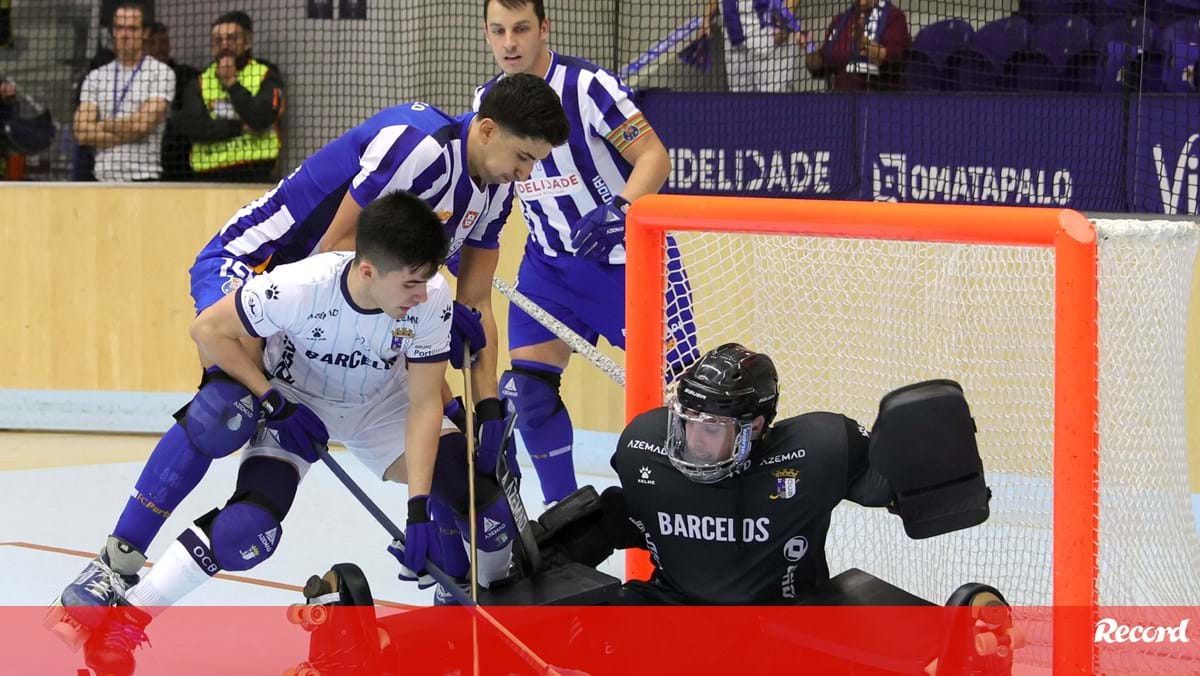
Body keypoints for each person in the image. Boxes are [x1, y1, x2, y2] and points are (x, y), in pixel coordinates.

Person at [49, 73, 570, 631]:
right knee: (224, 411)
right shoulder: (420, 149)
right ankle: (113, 566)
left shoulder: (495, 186)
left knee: (457, 455)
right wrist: (281, 395)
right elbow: (340, 255)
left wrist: (484, 404)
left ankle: (457, 596)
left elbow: (473, 304)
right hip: (268, 265)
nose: (527, 173)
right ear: (488, 131)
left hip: (362, 299)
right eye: (523, 157)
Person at [69, 193, 524, 676]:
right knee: (248, 528)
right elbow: (208, 331)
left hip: (383, 407)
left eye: (427, 279)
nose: (421, 293)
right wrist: (272, 399)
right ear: (368, 270)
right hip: (297, 403)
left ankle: (489, 619)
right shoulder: (300, 287)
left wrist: (418, 507)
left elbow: (425, 403)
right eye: (411, 283)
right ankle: (131, 615)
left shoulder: (427, 297)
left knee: (485, 506)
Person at [538, 343, 990, 604]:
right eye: (687, 420)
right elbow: (629, 515)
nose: (694, 438)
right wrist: (546, 555)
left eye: (712, 427)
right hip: (672, 608)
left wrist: (935, 451)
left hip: (782, 620)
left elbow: (897, 490)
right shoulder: (644, 444)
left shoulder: (818, 450)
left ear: (754, 427)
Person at [477, 0, 699, 508]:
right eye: (498, 31)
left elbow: (654, 157)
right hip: (547, 268)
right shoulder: (488, 100)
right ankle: (567, 518)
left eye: (521, 29)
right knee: (529, 396)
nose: (509, 43)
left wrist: (620, 208)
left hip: (628, 268)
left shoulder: (588, 87)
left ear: (544, 29)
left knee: (690, 408)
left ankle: (692, 521)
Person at [72, 1, 175, 181]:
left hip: (143, 178)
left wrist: (102, 124)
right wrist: (127, 130)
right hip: (102, 179)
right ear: (113, 31)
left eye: (132, 29)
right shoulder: (96, 76)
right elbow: (81, 132)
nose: (124, 35)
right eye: (119, 28)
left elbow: (142, 125)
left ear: (145, 33)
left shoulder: (161, 73)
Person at [176, 11, 284, 183]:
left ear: (247, 42)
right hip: (208, 179)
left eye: (232, 38)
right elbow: (194, 128)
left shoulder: (266, 75)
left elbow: (261, 118)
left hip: (255, 176)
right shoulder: (199, 83)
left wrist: (232, 83)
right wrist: (239, 128)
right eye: (218, 40)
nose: (225, 45)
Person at [701, 0, 807, 93]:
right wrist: (706, 19)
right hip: (734, 41)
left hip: (770, 39)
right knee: (740, 106)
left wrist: (784, 23)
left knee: (775, 103)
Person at [805, 0, 911, 91]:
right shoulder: (840, 21)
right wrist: (809, 47)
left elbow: (894, 60)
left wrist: (864, 43)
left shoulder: (893, 17)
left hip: (878, 102)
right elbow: (820, 67)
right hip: (839, 103)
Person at [145, 20, 200, 181]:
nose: (158, 48)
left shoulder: (187, 76)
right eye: (152, 43)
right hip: (148, 163)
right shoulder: (137, 79)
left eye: (163, 42)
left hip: (180, 163)